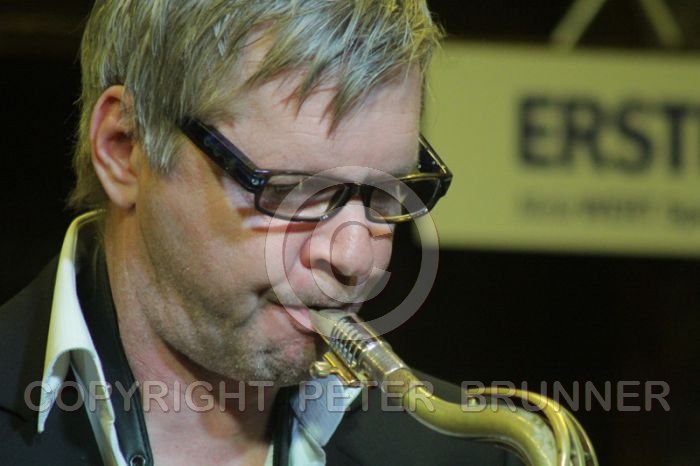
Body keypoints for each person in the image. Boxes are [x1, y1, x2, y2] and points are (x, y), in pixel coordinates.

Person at [0, 1, 521, 465]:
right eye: (293, 190)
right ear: (123, 148)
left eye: (388, 192)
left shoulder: (470, 455)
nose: (356, 258)